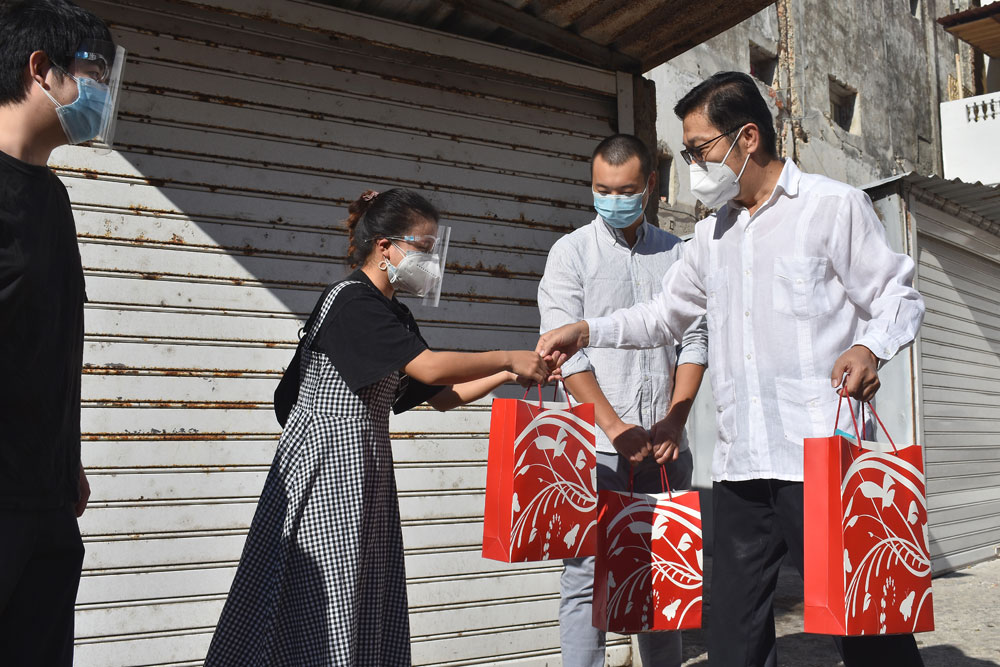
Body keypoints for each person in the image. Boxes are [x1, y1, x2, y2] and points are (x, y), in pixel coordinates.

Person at [536, 72, 926, 667]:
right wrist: (588, 330)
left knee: (864, 630)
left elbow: (898, 296)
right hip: (743, 467)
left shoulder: (831, 207)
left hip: (818, 457)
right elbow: (662, 316)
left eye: (700, 150)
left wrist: (870, 348)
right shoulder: (710, 235)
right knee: (734, 640)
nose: (694, 165)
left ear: (747, 138)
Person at [205, 188, 554, 666]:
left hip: (363, 467)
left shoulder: (394, 313)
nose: (431, 261)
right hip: (326, 465)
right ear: (385, 246)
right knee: (316, 592)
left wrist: (508, 377)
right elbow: (431, 367)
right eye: (423, 248)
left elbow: (442, 396)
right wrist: (507, 356)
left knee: (360, 590)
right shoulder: (351, 301)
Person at [538, 134, 707, 667]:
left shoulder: (678, 253)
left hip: (666, 449)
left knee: (664, 573)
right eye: (602, 190)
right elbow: (566, 355)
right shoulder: (571, 253)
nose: (613, 200)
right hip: (596, 450)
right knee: (584, 577)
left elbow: (696, 341)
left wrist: (675, 421)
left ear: (650, 185)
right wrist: (615, 428)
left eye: (626, 190)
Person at [0, 1, 124, 664]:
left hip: (45, 500)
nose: (102, 94)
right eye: (94, 74)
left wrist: (67, 455)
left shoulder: (52, 197)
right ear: (40, 69)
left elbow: (47, 338)